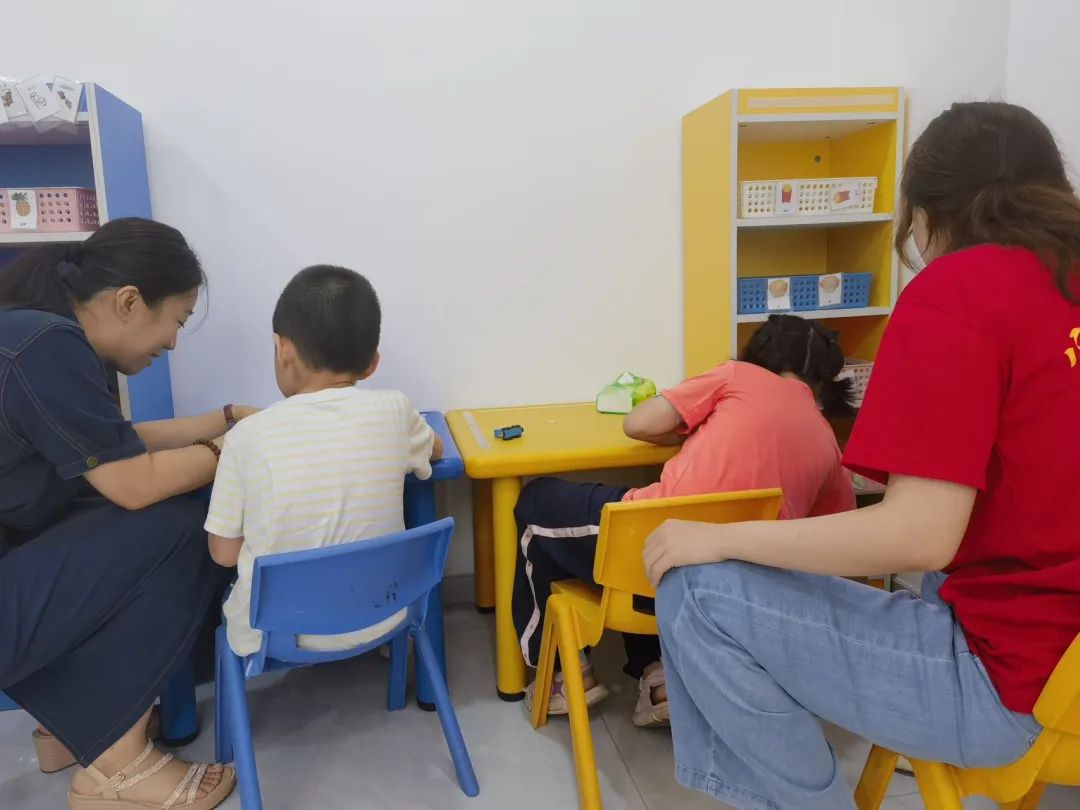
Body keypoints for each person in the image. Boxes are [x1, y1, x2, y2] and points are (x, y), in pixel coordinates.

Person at [645, 101, 1080, 810]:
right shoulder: (1060, 287)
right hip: (1067, 669)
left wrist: (719, 538)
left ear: (925, 215)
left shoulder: (958, 293)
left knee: (695, 592)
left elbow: (919, 535)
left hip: (1019, 685)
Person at [0, 218, 256, 809]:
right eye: (177, 321)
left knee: (152, 510)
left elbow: (115, 443)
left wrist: (226, 418)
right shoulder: (48, 346)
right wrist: (238, 449)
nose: (173, 343)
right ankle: (117, 767)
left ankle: (71, 727)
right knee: (182, 527)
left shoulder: (37, 334)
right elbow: (134, 483)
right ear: (129, 301)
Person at [513, 314, 856, 727]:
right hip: (732, 590)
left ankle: (561, 676)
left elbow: (636, 423)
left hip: (656, 552)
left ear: (759, 354)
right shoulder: (826, 440)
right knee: (643, 533)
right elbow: (837, 536)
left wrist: (693, 425)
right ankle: (659, 681)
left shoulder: (739, 376)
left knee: (536, 502)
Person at [204, 265, 442, 656]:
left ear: (283, 349)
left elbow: (224, 553)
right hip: (385, 615)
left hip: (279, 634)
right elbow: (436, 450)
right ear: (372, 364)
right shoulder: (396, 410)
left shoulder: (245, 437)